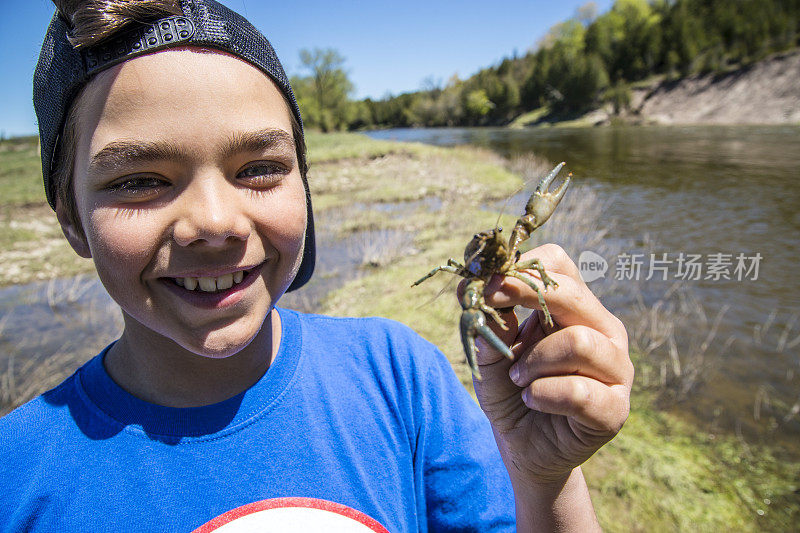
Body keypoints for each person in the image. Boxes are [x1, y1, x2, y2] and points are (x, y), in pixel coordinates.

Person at [0, 0, 633, 530]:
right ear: (71, 218)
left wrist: (543, 475)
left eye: (259, 169)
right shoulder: (16, 479)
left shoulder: (403, 378)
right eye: (139, 180)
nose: (216, 223)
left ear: (305, 186)